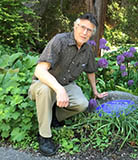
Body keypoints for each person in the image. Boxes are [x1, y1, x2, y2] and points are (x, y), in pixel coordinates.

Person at [28, 13, 108, 156]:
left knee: (82, 104)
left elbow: (90, 71)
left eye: (89, 30)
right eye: (82, 27)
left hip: (66, 84)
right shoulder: (60, 41)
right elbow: (40, 71)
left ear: (92, 34)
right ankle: (44, 136)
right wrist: (59, 90)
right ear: (75, 26)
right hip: (43, 83)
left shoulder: (87, 50)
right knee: (46, 90)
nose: (84, 32)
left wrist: (95, 91)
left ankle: (54, 116)